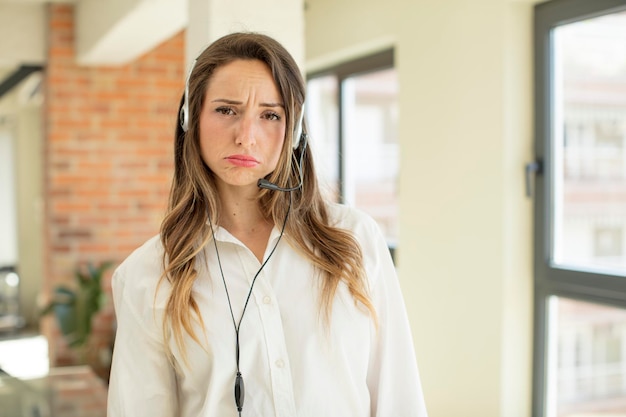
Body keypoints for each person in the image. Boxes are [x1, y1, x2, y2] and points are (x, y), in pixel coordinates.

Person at [107, 32, 428, 417]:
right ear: (190, 120)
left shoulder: (356, 240)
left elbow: (399, 397)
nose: (246, 137)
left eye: (270, 115)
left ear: (294, 133)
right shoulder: (148, 275)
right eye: (226, 110)